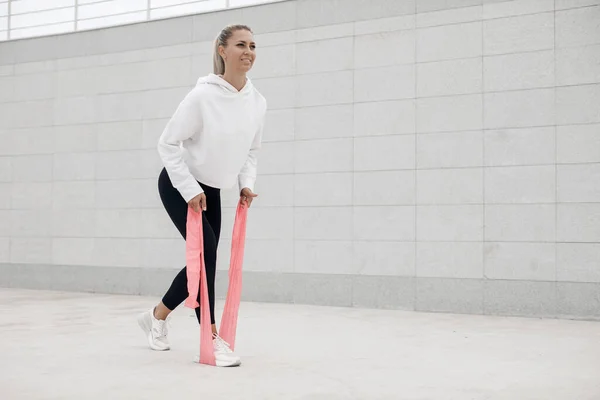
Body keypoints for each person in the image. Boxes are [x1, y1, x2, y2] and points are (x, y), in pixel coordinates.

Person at [137, 24, 266, 367]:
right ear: (223, 51)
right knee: (206, 256)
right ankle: (210, 339)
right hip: (180, 185)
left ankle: (157, 316)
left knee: (205, 260)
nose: (248, 51)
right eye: (241, 44)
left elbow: (251, 151)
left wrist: (245, 184)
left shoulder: (258, 102)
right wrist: (190, 189)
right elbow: (167, 143)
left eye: (253, 45)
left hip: (213, 190)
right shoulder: (201, 96)